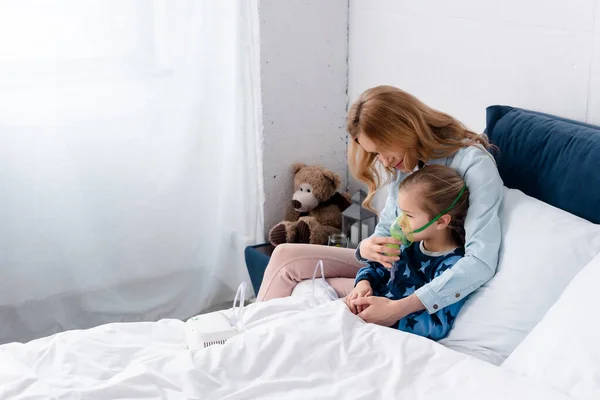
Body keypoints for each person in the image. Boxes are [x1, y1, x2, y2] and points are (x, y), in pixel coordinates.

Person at [257, 85, 503, 328]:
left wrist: (398, 308)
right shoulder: (407, 163)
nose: (384, 161)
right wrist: (365, 248)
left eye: (384, 149)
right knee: (284, 256)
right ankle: (248, 335)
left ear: (405, 128)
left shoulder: (472, 164)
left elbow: (480, 260)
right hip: (394, 265)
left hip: (419, 274)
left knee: (308, 282)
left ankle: (253, 339)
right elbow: (386, 231)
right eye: (375, 153)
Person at [346, 165, 468, 339]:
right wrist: (363, 283)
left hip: (386, 330)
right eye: (401, 213)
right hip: (366, 314)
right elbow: (377, 267)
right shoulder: (408, 243)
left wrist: (389, 318)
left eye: (408, 216)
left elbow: (436, 325)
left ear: (440, 222)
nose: (400, 222)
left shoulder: (452, 268)